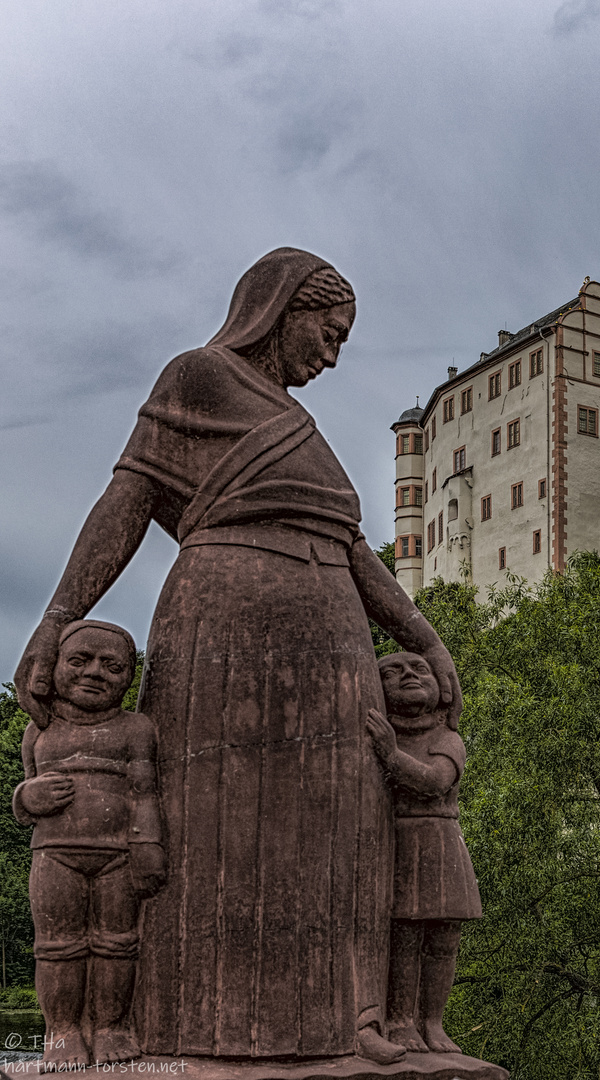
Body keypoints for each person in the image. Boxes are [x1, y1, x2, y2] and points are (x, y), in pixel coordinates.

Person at [12, 248, 458, 1064]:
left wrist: (421, 635)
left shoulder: (301, 427)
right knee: (215, 835)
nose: (331, 354)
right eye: (328, 332)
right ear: (281, 309)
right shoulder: (197, 378)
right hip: (223, 637)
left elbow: (355, 551)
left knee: (339, 835)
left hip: (334, 649)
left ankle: (341, 1025)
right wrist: (58, 618)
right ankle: (205, 1031)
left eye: (343, 341)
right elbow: (129, 497)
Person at [14, 620, 162, 1067]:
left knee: (118, 944)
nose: (95, 672)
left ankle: (112, 1027)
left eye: (112, 665)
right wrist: (28, 798)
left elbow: (145, 792)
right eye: (79, 660)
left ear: (128, 677)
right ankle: (62, 1033)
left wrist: (148, 845)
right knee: (57, 946)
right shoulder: (38, 732)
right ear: (54, 666)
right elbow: (25, 789)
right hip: (54, 854)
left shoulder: (135, 729)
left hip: (119, 857)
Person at [367, 652, 483, 1055]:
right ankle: (400, 1021)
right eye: (392, 672)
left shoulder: (446, 739)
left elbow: (435, 781)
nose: (409, 676)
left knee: (444, 938)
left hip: (441, 839)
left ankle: (433, 1021)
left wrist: (390, 755)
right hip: (399, 841)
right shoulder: (379, 734)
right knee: (405, 935)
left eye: (419, 669)